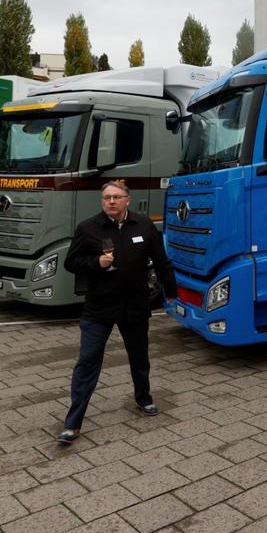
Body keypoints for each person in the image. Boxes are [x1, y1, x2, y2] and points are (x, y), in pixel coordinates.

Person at [56, 181, 174, 443]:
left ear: (127, 200)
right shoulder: (88, 228)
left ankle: (143, 398)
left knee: (139, 357)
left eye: (116, 197)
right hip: (99, 308)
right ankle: (72, 423)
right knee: (87, 362)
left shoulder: (144, 225)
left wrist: (173, 294)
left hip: (135, 306)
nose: (111, 201)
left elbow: (163, 263)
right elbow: (71, 263)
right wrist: (95, 262)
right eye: (106, 197)